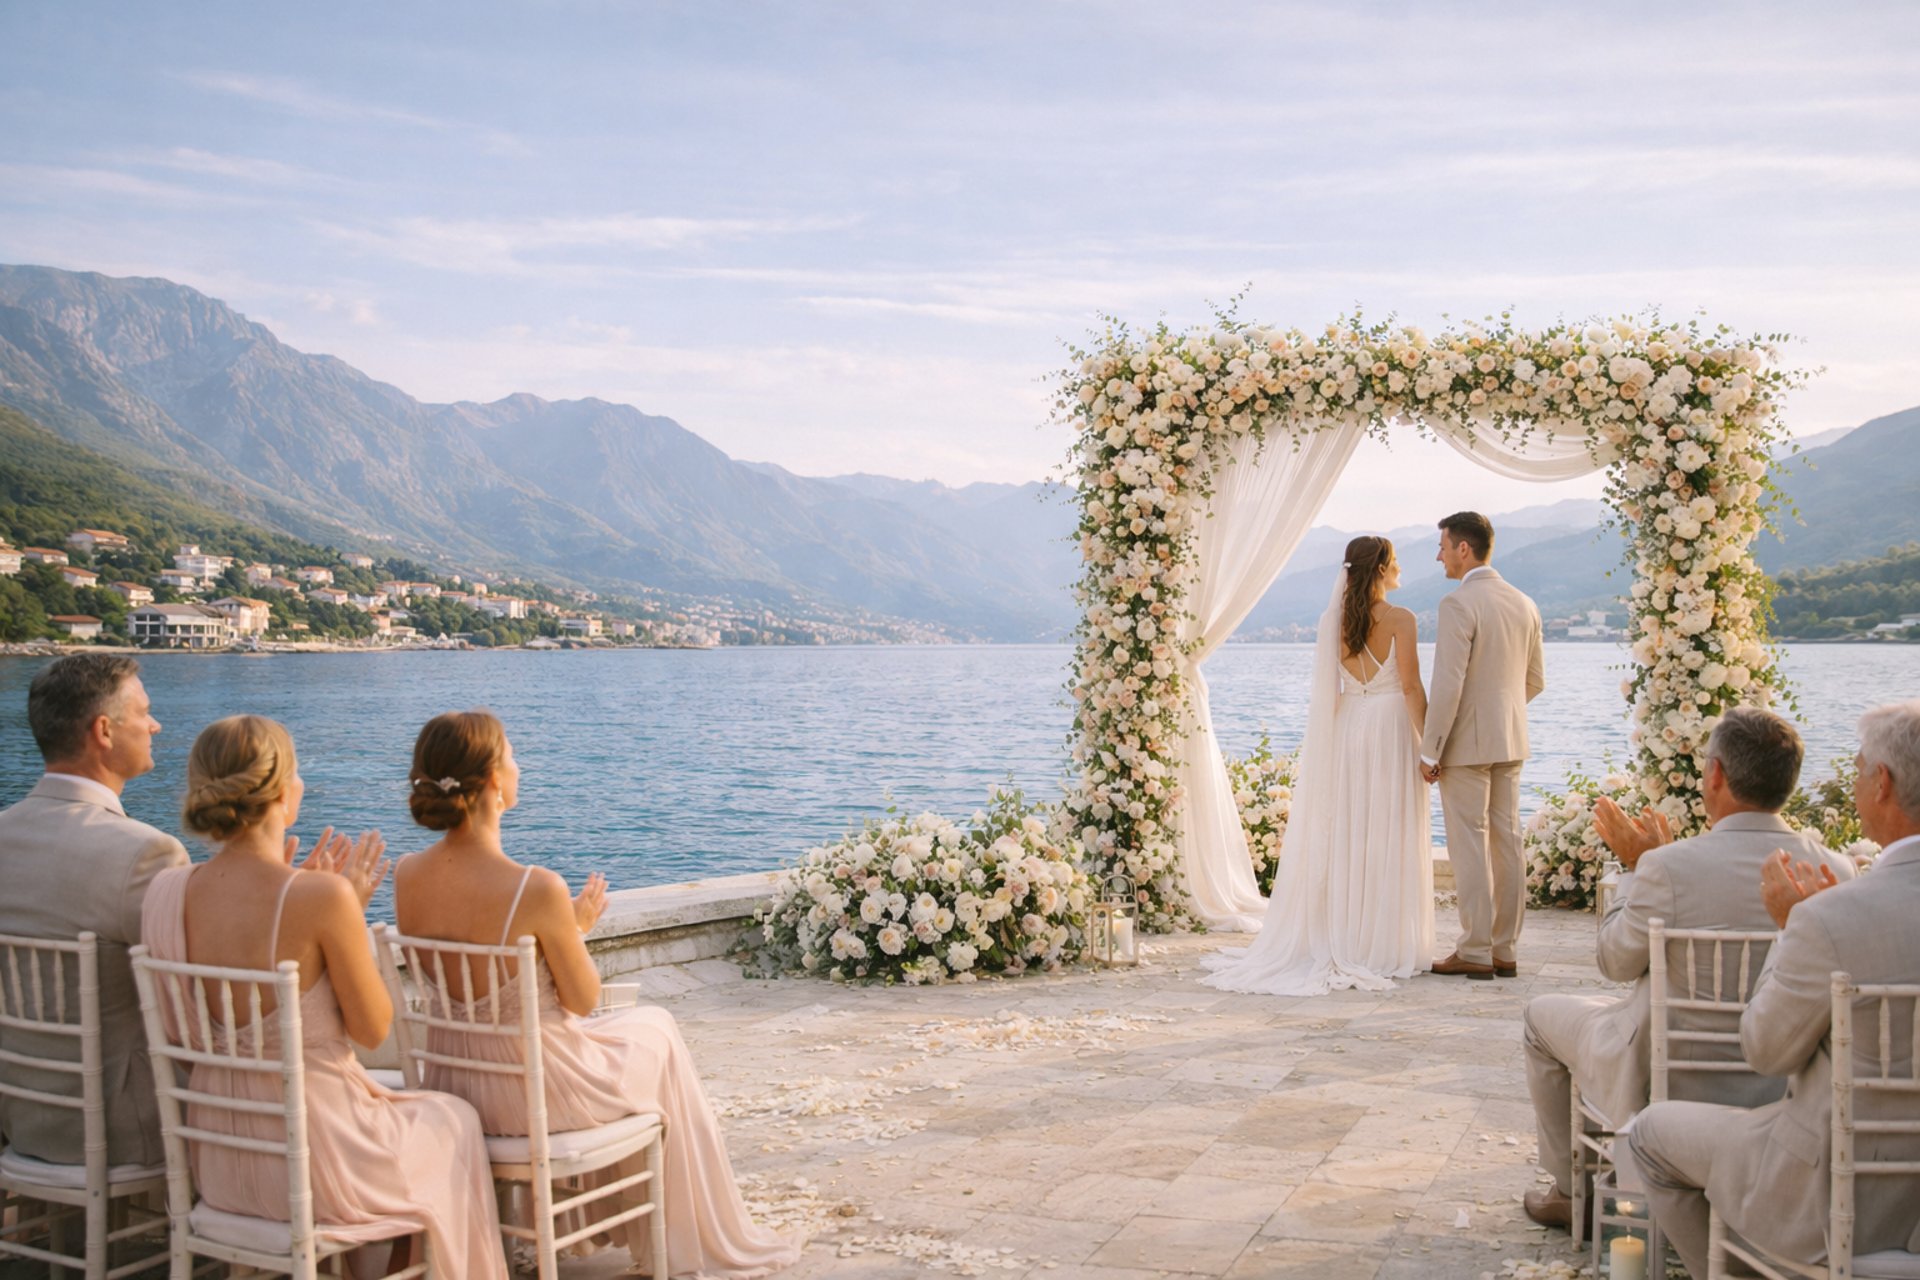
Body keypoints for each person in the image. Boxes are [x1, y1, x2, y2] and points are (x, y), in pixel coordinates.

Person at [391, 710, 799, 1279]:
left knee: (643, 1032)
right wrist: (572, 927)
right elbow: (581, 1000)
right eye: (511, 754)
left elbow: (469, 979)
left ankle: (613, 1221)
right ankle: (679, 1233)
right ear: (490, 781)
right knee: (655, 1030)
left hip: (458, 1085)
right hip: (534, 1093)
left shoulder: (407, 875)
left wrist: (562, 929)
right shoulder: (535, 888)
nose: (520, 764)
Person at [140, 716, 506, 1276]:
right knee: (453, 1119)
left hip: (218, 1162)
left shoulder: (165, 891)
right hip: (316, 1160)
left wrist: (308, 903)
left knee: (429, 1116)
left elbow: (180, 1027)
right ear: (285, 792)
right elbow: (373, 1029)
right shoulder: (321, 896)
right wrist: (345, 918)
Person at [1520, 707, 1856, 1231]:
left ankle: (1569, 1189)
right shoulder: (1835, 870)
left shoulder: (1670, 865)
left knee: (1540, 1017)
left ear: (1716, 774)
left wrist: (1635, 872)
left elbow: (1614, 961)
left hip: (1665, 1071)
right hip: (1782, 1084)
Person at [1630, 700, 1920, 1275]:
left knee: (1650, 1135)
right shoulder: (1838, 888)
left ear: (1882, 784)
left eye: (1861, 769)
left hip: (1829, 1197)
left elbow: (1765, 1050)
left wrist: (1791, 930)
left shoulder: (1830, 916)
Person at [1200, 537, 1436, 996]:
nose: (1401, 565)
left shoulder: (1333, 621)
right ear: (1383, 567)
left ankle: (1346, 932)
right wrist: (1429, 747)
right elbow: (1410, 687)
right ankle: (1381, 941)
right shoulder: (1402, 619)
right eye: (1396, 559)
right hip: (1390, 728)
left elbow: (1327, 695)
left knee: (1351, 831)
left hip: (1349, 728)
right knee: (1389, 829)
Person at [0, 654, 186, 1167]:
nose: (155, 724)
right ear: (104, 730)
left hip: (18, 1114)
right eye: (144, 712)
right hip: (120, 1124)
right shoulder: (145, 853)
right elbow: (192, 997)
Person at [1421, 511, 1545, 980]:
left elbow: (1448, 683)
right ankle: (1505, 950)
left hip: (1466, 747)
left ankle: (1474, 950)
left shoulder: (1457, 604)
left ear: (1463, 549)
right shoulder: (1525, 603)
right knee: (1509, 843)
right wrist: (1499, 714)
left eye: (1442, 546)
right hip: (1511, 739)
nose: (1439, 556)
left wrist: (1430, 750)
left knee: (1469, 847)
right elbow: (1534, 680)